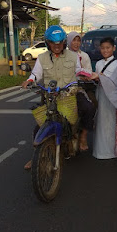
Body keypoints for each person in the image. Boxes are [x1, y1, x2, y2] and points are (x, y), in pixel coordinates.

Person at [22, 26, 89, 169]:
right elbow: (36, 74)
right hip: (50, 96)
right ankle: (36, 157)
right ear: (48, 43)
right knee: (38, 128)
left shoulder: (73, 56)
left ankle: (83, 136)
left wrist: (86, 75)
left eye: (59, 43)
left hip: (70, 93)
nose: (56, 46)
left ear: (64, 43)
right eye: (53, 43)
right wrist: (30, 81)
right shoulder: (41, 57)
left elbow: (78, 70)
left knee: (88, 108)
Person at [67, 31, 96, 151]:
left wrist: (85, 76)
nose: (76, 43)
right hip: (63, 89)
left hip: (81, 87)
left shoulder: (84, 56)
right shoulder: (63, 54)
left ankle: (84, 134)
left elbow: (88, 71)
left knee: (92, 106)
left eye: (79, 40)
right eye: (74, 40)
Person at [92, 37, 117, 159]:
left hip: (112, 96)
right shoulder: (98, 63)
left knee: (113, 121)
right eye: (102, 48)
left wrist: (102, 77)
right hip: (101, 94)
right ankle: (101, 151)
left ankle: (114, 150)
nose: (105, 50)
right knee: (101, 121)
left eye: (108, 48)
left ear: (113, 48)